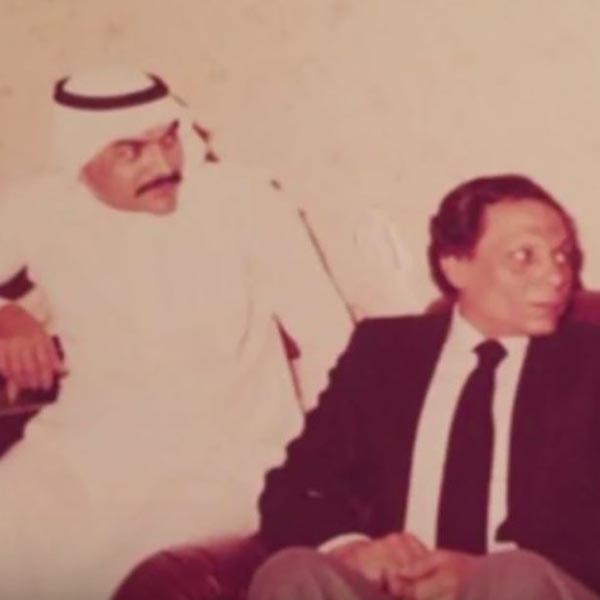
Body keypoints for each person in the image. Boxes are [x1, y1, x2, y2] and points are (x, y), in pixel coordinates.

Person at [0, 66, 352, 600]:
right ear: (80, 158)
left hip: (226, 460)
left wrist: (323, 474)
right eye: (130, 151)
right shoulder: (41, 208)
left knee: (116, 557)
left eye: (168, 139)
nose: (163, 165)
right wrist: (8, 314)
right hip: (83, 447)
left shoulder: (244, 201)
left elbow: (333, 343)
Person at [248, 174, 600, 600]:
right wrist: (352, 548)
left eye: (562, 255)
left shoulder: (590, 362)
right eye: (525, 256)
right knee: (291, 572)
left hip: (530, 586)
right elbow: (293, 488)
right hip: (399, 589)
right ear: (456, 265)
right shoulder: (384, 352)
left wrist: (478, 572)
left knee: (513, 577)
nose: (556, 275)